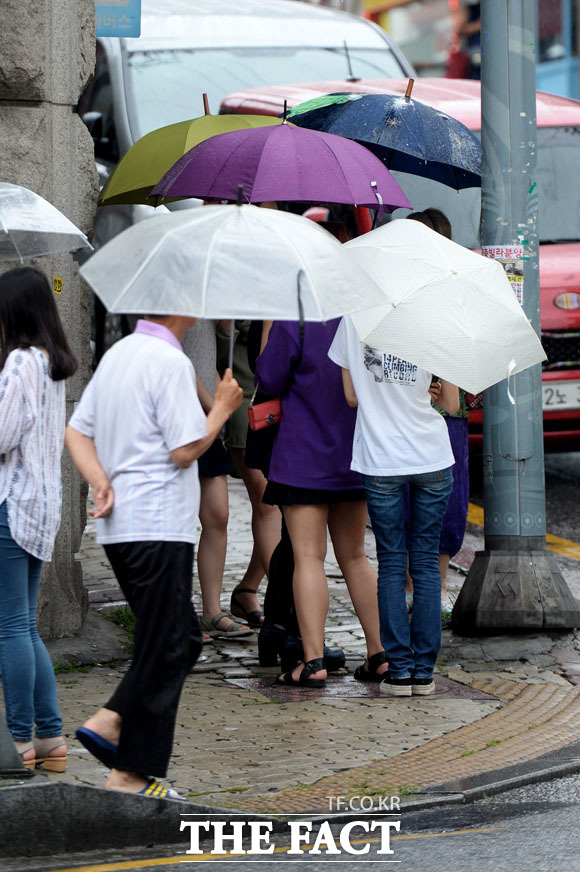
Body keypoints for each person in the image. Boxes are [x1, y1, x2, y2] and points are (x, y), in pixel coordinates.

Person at [65, 315, 242, 799]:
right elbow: (187, 449)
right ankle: (128, 770)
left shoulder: (119, 354)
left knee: (179, 639)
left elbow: (77, 433)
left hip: (124, 526)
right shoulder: (169, 361)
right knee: (166, 646)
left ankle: (115, 727)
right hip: (157, 523)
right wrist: (222, 409)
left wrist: (99, 479)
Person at [329, 316, 459, 696]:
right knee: (425, 563)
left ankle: (399, 672)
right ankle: (424, 673)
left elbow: (352, 397)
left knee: (390, 563)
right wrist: (426, 392)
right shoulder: (430, 318)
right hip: (431, 457)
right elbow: (451, 404)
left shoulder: (353, 320)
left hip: (381, 458)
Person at [256, 318, 388, 688]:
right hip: (354, 453)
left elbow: (268, 378)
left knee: (308, 558)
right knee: (356, 557)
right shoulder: (364, 318)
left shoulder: (295, 319)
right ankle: (380, 654)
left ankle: (313, 662)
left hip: (302, 458)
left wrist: (269, 328)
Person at [0, 266, 78, 772]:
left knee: (10, 628)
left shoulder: (18, 364)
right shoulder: (49, 363)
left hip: (11, 505)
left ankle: (16, 741)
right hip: (41, 507)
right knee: (24, 626)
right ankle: (49, 739)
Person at [182, 320, 252, 639]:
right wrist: (215, 406)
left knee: (218, 514)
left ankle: (212, 610)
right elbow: (176, 357)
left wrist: (226, 326)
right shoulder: (170, 298)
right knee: (177, 522)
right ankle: (177, 612)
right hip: (181, 414)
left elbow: (222, 357)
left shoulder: (209, 298)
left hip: (207, 421)